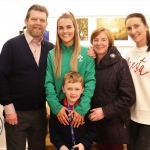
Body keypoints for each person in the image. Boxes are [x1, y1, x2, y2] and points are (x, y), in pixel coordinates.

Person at [0, 4, 54, 150]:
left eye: (42, 20)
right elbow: (2, 78)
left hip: (40, 114)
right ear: (26, 21)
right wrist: (9, 109)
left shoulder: (50, 48)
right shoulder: (11, 46)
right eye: (34, 19)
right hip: (16, 113)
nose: (38, 23)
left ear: (46, 24)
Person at [45, 12, 95, 128]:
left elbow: (90, 83)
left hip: (80, 112)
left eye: (69, 27)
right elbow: (48, 83)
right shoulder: (51, 55)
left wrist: (81, 109)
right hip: (59, 112)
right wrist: (56, 107)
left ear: (75, 28)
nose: (65, 31)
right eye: (60, 28)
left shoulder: (86, 54)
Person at [88, 28, 136, 150]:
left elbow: (128, 97)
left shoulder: (120, 64)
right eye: (96, 40)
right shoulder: (90, 62)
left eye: (103, 39)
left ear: (110, 42)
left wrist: (104, 111)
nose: (99, 43)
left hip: (115, 126)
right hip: (96, 125)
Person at [50, 71, 97, 150]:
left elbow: (92, 131)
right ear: (63, 89)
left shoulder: (86, 108)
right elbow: (53, 133)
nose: (73, 92)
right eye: (69, 89)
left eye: (77, 89)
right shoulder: (57, 109)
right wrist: (61, 146)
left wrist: (83, 144)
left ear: (82, 90)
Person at [125, 13, 150, 150]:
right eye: (129, 28)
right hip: (132, 116)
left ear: (146, 26)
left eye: (136, 26)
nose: (133, 31)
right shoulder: (129, 54)